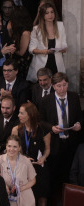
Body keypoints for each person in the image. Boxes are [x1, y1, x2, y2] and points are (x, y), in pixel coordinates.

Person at [39, 72, 82, 203]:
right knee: (54, 174)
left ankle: (68, 200)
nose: (62, 89)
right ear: (53, 86)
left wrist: (79, 124)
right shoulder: (46, 100)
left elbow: (80, 116)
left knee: (70, 173)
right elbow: (41, 121)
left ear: (68, 84)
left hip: (71, 142)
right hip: (54, 143)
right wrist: (51, 128)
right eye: (59, 86)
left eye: (64, 85)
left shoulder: (74, 97)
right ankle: (53, 200)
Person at [11, 102, 50, 206]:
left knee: (42, 198)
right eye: (19, 113)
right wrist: (23, 159)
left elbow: (47, 149)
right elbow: (12, 150)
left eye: (21, 113)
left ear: (30, 115)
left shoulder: (43, 129)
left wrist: (44, 157)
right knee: (26, 198)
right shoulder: (16, 130)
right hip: (23, 166)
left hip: (39, 167)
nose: (18, 115)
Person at [27, 2, 67, 82]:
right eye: (47, 13)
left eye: (52, 12)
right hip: (41, 65)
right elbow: (31, 49)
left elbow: (64, 46)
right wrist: (43, 51)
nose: (50, 15)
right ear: (42, 15)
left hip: (56, 64)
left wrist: (60, 49)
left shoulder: (60, 26)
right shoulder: (36, 29)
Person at [0, 135, 36, 206]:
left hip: (24, 197)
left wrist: (20, 189)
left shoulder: (26, 161)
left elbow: (33, 180)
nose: (11, 149)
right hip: (5, 195)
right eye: (9, 146)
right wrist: (4, 186)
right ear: (6, 146)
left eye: (15, 147)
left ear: (19, 148)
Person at [7, 6, 33, 79]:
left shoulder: (25, 33)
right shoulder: (18, 31)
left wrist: (9, 49)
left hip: (22, 65)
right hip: (16, 63)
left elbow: (21, 52)